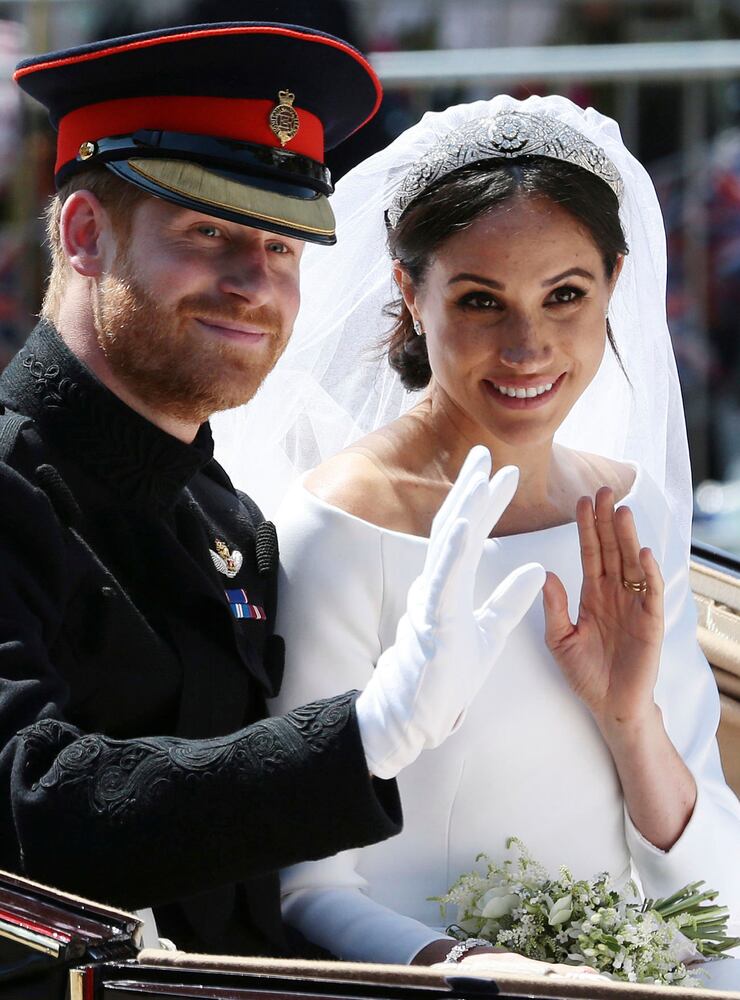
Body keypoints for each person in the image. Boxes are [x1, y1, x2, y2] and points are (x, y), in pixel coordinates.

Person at [0, 27, 546, 957]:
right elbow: (33, 810)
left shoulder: (227, 518)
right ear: (85, 236)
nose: (257, 284)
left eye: (285, 247)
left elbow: (256, 882)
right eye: (209, 232)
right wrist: (364, 737)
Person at [214, 95, 740, 978]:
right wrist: (477, 972)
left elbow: (715, 906)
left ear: (615, 281)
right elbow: (306, 884)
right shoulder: (342, 526)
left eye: (565, 295)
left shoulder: (628, 506)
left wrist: (630, 724)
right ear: (410, 296)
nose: (527, 346)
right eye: (481, 300)